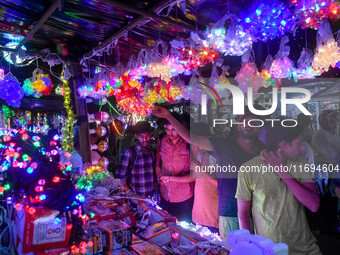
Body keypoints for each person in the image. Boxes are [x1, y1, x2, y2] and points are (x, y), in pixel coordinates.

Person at [152, 106, 263, 240]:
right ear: (239, 123)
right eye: (246, 120)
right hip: (228, 214)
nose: (249, 125)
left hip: (256, 215)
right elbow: (190, 138)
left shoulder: (265, 153)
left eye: (256, 122)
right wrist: (168, 116)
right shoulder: (224, 146)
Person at [236, 122, 321, 255]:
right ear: (283, 145)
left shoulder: (300, 164)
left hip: (306, 249)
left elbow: (314, 205)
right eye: (299, 143)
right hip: (270, 250)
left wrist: (282, 172)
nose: (303, 148)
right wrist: (250, 247)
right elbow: (243, 214)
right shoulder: (248, 169)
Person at [156, 112, 193, 222]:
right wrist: (158, 172)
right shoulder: (162, 140)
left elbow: (195, 175)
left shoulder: (189, 144)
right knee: (165, 227)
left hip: (183, 196)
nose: (170, 133)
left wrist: (171, 179)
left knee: (183, 229)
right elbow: (158, 161)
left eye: (173, 129)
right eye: (167, 129)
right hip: (165, 193)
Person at [191, 122, 219, 233]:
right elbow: (195, 178)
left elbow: (220, 184)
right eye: (193, 143)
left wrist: (200, 170)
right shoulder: (200, 155)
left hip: (212, 217)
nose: (196, 146)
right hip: (198, 213)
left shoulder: (216, 157)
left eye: (199, 142)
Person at [115, 121, 155, 198]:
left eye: (147, 136)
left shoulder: (151, 151)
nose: (145, 139)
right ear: (136, 136)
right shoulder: (129, 153)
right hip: (135, 201)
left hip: (150, 198)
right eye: (141, 137)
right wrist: (132, 195)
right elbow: (119, 179)